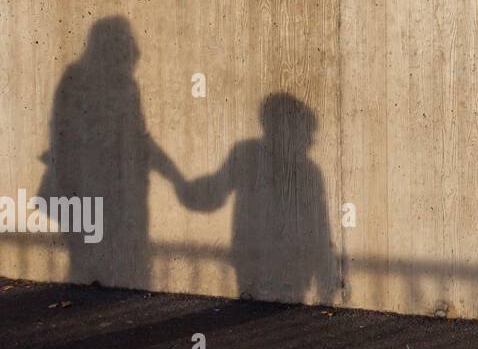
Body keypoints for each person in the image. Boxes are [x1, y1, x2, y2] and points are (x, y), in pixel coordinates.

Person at [38, 17, 185, 290]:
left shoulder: (126, 85)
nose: (130, 49)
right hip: (87, 186)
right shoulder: (77, 79)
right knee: (86, 265)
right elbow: (64, 135)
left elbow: (141, 139)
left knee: (113, 272)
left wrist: (175, 177)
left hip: (121, 191)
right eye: (123, 41)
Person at [177, 94, 337, 304]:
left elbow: (320, 227)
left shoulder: (306, 170)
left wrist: (326, 276)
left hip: (279, 268)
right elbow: (320, 228)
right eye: (307, 131)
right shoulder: (249, 155)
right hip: (259, 266)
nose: (310, 139)